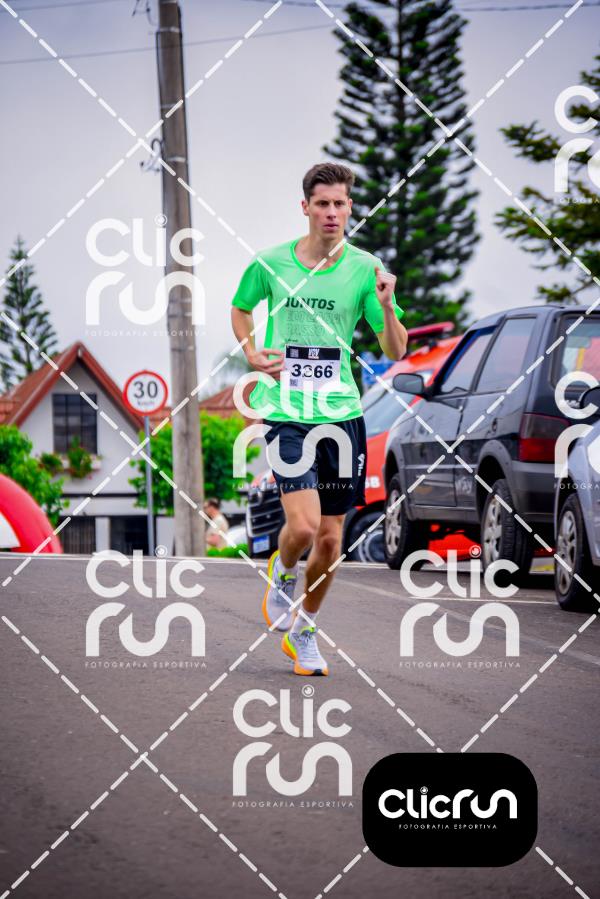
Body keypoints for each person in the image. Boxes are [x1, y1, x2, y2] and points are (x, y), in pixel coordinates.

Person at [231, 162, 407, 676]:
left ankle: (305, 630)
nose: (331, 212)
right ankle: (284, 569)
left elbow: (395, 350)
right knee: (304, 526)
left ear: (350, 208)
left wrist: (387, 306)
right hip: (287, 412)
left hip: (342, 416)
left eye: (340, 204)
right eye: (322, 203)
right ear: (305, 207)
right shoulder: (270, 264)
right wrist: (251, 351)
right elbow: (240, 308)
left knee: (331, 538)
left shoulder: (365, 269)